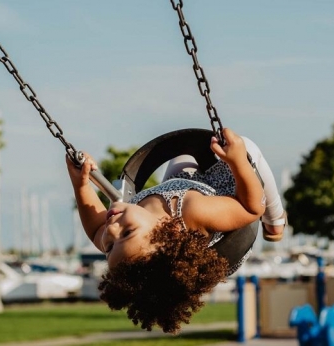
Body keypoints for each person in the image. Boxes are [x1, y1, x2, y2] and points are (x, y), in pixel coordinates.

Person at [65, 127, 287, 333]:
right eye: (127, 232)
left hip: (180, 184)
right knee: (247, 148)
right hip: (228, 193)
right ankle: (276, 219)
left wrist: (81, 184)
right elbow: (250, 208)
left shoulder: (128, 237)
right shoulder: (194, 212)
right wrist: (238, 162)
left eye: (110, 245)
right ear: (169, 232)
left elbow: (96, 230)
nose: (112, 229)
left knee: (185, 152)